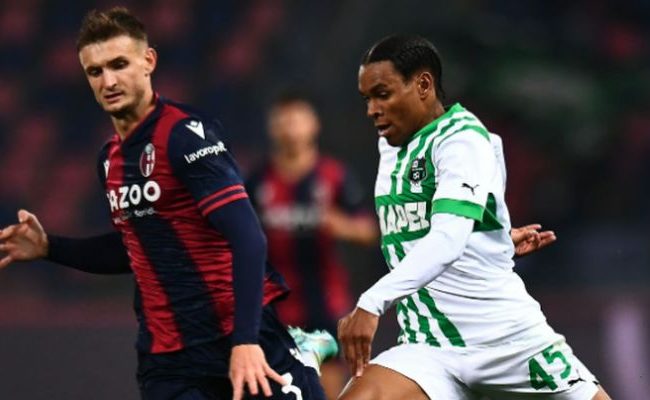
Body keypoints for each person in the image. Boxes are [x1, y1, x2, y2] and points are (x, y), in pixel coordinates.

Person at [0, 7, 327, 400]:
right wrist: (49, 247)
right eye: (95, 71)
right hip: (168, 360)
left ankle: (302, 352)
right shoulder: (109, 160)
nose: (108, 81)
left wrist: (246, 340)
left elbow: (248, 239)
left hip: (238, 336)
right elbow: (136, 247)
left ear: (148, 61)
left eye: (119, 64)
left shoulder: (186, 136)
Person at [337, 35, 611, 400]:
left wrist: (372, 301)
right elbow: (452, 221)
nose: (372, 109)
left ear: (423, 85)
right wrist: (494, 240)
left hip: (505, 341)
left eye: (382, 95)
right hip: (429, 345)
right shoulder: (391, 144)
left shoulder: (462, 141)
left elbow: (448, 238)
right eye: (366, 99)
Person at [246, 92, 379, 399]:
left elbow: (369, 231)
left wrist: (340, 225)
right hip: (273, 306)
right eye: (282, 120)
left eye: (296, 119)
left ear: (313, 124)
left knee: (327, 387)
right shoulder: (257, 180)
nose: (289, 128)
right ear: (271, 127)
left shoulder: (334, 175)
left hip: (324, 303)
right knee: (277, 387)